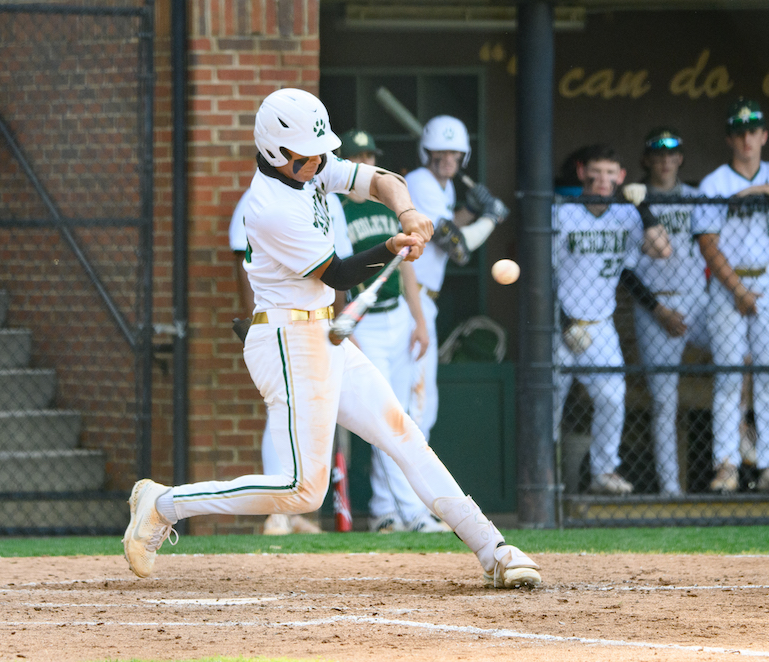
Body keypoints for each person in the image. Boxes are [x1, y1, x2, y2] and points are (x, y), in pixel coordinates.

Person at [123, 88, 541, 589]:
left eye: (321, 152)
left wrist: (406, 213)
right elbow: (339, 273)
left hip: (321, 331)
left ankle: (494, 550)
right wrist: (390, 245)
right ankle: (164, 503)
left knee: (403, 434)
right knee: (302, 492)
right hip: (286, 340)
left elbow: (382, 179)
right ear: (276, 151)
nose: (318, 162)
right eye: (306, 155)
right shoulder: (270, 205)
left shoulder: (312, 165)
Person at [695, 97, 769, 492]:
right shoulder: (715, 183)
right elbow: (708, 243)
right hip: (730, 286)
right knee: (729, 377)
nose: (747, 139)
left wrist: (760, 189)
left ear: (763, 135)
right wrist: (739, 290)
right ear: (731, 138)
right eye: (740, 132)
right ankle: (726, 464)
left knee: (768, 377)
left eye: (753, 131)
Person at [332, 128, 445, 533]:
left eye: (368, 156)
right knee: (387, 416)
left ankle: (388, 510)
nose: (364, 163)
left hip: (398, 316)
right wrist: (349, 328)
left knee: (406, 415)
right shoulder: (335, 209)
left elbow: (406, 267)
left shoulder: (390, 209)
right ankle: (408, 513)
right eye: (356, 157)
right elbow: (335, 277)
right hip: (366, 321)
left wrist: (419, 320)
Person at [229, 190, 350, 534]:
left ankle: (293, 512)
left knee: (312, 416)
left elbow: (338, 268)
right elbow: (244, 259)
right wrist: (256, 321)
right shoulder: (260, 197)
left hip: (318, 324)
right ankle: (277, 511)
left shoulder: (329, 200)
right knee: (282, 410)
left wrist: (338, 326)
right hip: (281, 323)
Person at [553, 144, 671, 495]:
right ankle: (544, 476)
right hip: (558, 324)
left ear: (621, 177)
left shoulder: (627, 214)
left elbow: (662, 249)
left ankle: (604, 470)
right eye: (596, 171)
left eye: (611, 173)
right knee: (548, 404)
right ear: (581, 172)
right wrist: (561, 321)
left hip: (600, 325)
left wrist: (642, 206)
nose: (603, 179)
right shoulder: (562, 213)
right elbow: (541, 272)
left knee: (612, 396)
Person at [406, 115, 507, 444]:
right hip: (409, 300)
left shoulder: (443, 187)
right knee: (418, 402)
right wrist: (490, 219)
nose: (448, 160)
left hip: (423, 300)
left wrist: (472, 211)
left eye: (454, 154)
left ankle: (407, 494)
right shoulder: (421, 181)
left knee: (422, 401)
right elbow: (453, 245)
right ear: (427, 153)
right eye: (441, 153)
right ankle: (401, 495)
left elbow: (446, 224)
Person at [621, 127, 711, 495]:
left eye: (671, 153)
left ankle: (741, 440)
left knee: (744, 359)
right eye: (656, 154)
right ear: (646, 160)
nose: (664, 160)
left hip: (699, 299)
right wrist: (657, 309)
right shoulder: (631, 203)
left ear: (680, 158)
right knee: (664, 401)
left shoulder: (697, 197)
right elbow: (624, 269)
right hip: (656, 306)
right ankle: (671, 489)